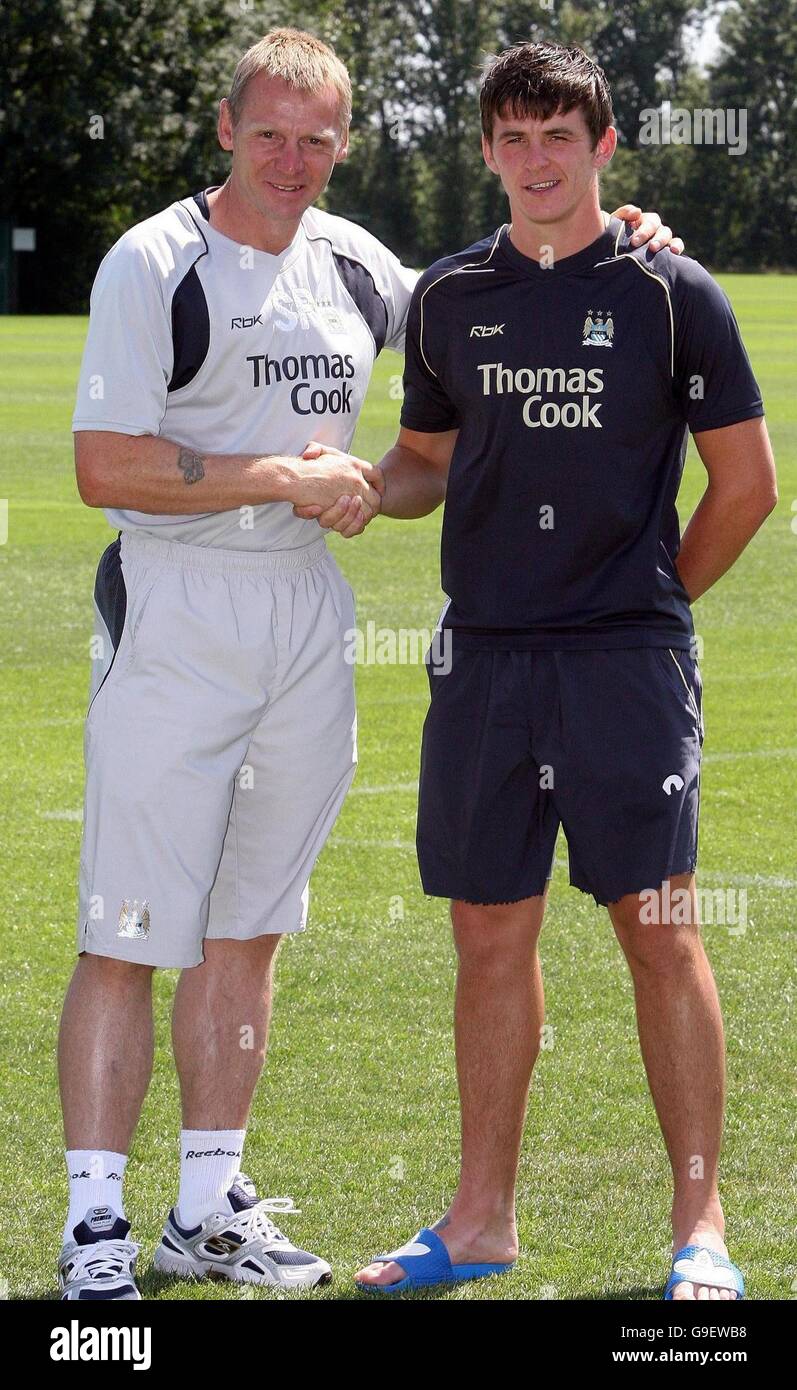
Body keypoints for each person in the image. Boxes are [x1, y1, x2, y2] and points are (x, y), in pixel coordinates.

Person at [60, 26, 683, 1300]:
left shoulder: (359, 268)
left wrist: (622, 235)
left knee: (251, 927)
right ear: (226, 128)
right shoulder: (155, 259)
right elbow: (102, 463)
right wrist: (278, 475)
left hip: (302, 612)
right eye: (270, 131)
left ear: (344, 146)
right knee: (128, 927)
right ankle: (92, 1228)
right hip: (176, 604)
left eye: (318, 137)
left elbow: (502, 291)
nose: (292, 159)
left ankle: (203, 1208)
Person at [341, 42, 776, 1298]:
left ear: (602, 147)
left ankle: (699, 1230)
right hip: (481, 658)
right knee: (487, 935)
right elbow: (426, 457)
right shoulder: (447, 295)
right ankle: (479, 1221)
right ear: (484, 149)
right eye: (511, 138)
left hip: (621, 663)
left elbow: (744, 486)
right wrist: (367, 484)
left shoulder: (666, 287)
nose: (534, 160)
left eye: (557, 137)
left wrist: (649, 603)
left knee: (660, 928)